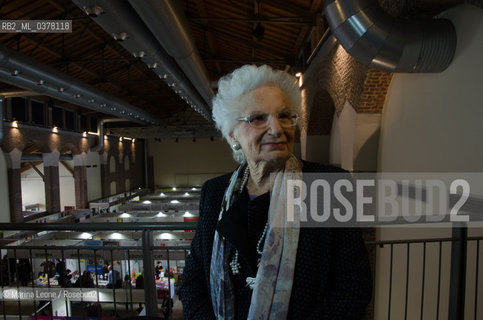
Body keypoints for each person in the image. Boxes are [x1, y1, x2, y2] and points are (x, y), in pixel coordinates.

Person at [179, 65, 372, 319]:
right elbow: (192, 281)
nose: (277, 129)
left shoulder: (330, 187)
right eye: (258, 118)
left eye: (284, 116)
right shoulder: (214, 193)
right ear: (232, 134)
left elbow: (353, 285)